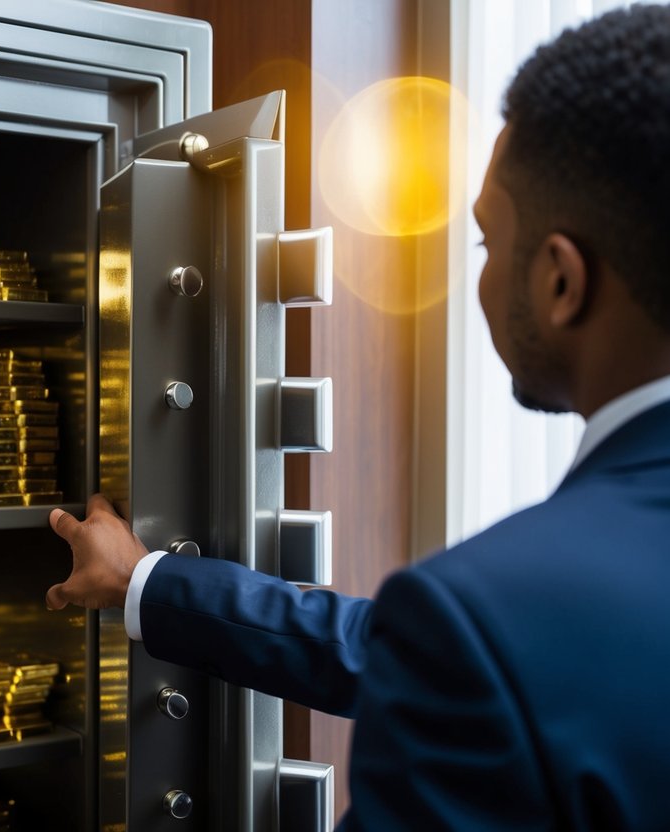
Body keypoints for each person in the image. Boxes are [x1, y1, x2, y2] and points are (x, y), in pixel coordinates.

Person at [45, 5, 670, 829]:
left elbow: (483, 664)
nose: (476, 280)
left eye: (484, 244)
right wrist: (146, 581)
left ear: (560, 281)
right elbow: (435, 662)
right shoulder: (499, 631)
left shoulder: (486, 620)